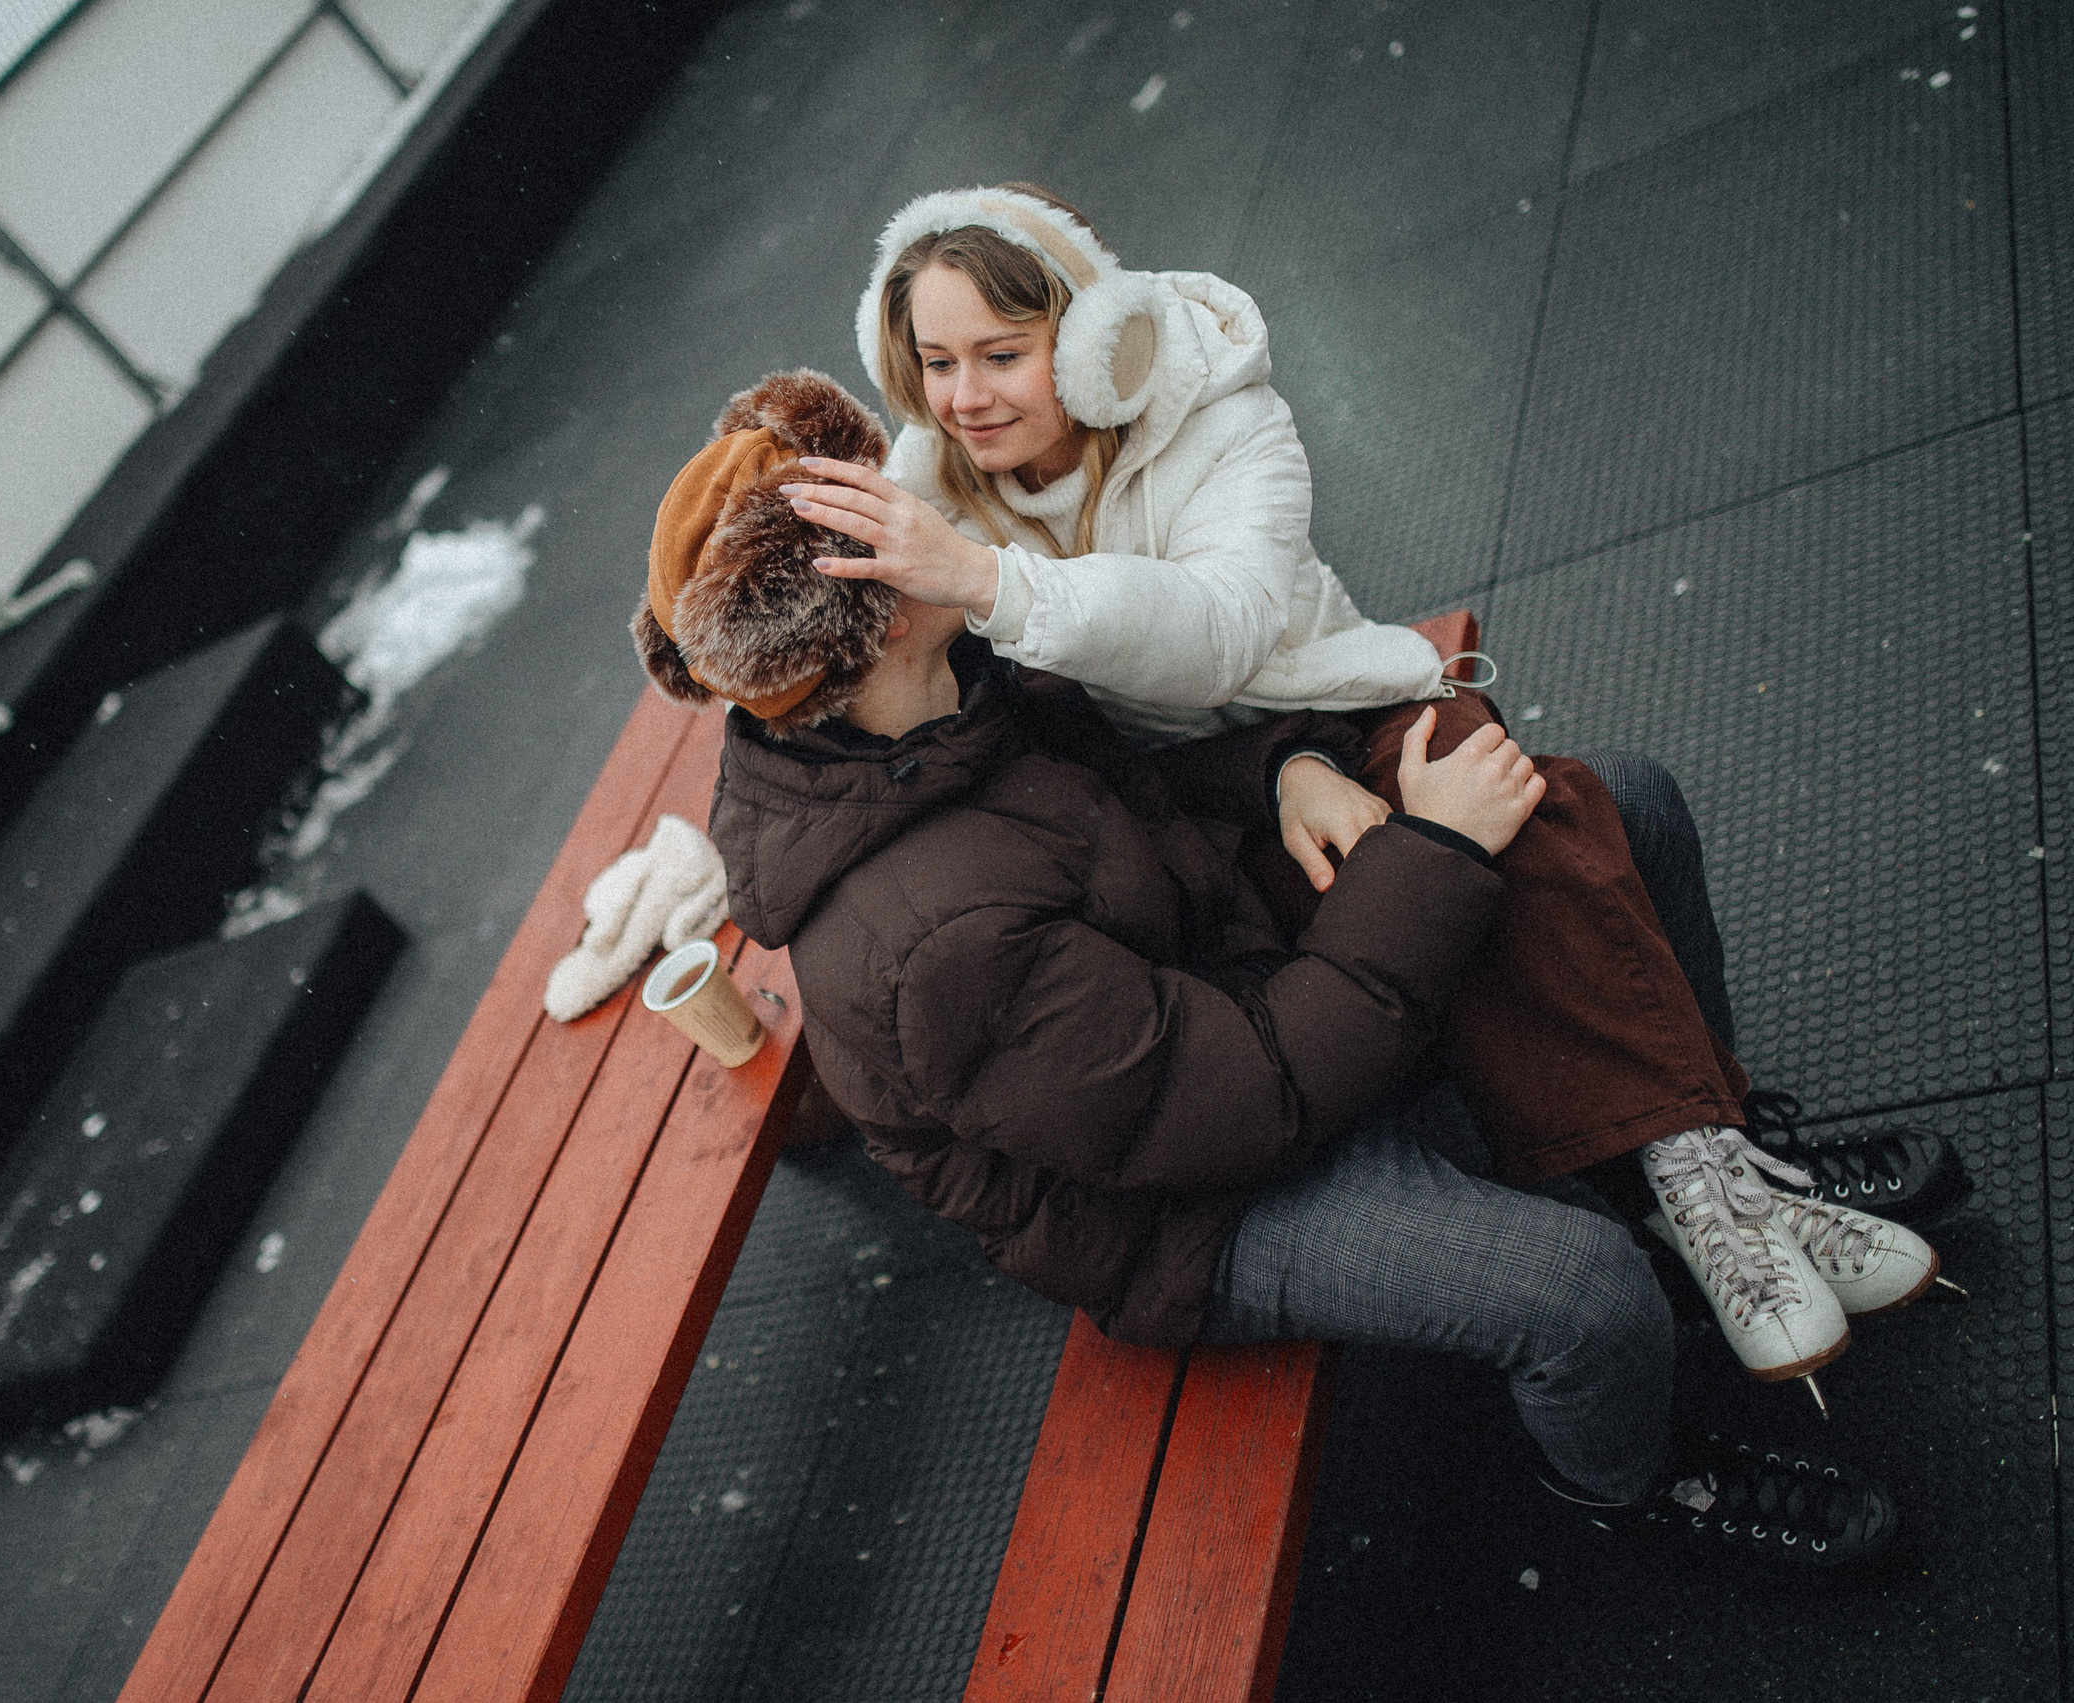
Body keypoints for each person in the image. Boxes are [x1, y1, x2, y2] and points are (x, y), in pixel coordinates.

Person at [635, 367, 1903, 1569]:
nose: (930, 509)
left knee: (1623, 806)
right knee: (1580, 1292)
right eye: (889, 518)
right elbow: (1249, 1101)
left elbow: (1146, 776)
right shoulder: (929, 942)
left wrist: (1284, 767)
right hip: (1187, 1200)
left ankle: (1704, 1163)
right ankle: (1636, 1480)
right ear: (871, 618)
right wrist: (1434, 853)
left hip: (1221, 972)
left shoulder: (952, 682)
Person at [772, 184, 1963, 1403]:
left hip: (1329, 709)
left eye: (1001, 354)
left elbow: (1221, 633)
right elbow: (1085, 765)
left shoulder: (1216, 419)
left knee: (1528, 793)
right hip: (1205, 808)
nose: (965, 396)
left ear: (1089, 337)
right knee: (1525, 833)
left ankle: (1707, 1169)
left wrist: (1277, 742)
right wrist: (1276, 778)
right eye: (935, 363)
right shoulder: (938, 510)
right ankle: (1709, 1177)